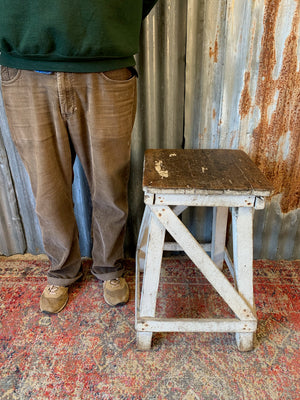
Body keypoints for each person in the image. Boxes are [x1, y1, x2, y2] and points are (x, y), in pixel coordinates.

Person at [0, 0, 158, 313]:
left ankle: (109, 266)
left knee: (109, 183)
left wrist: (113, 13)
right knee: (47, 190)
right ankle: (61, 270)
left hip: (105, 62)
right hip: (25, 66)